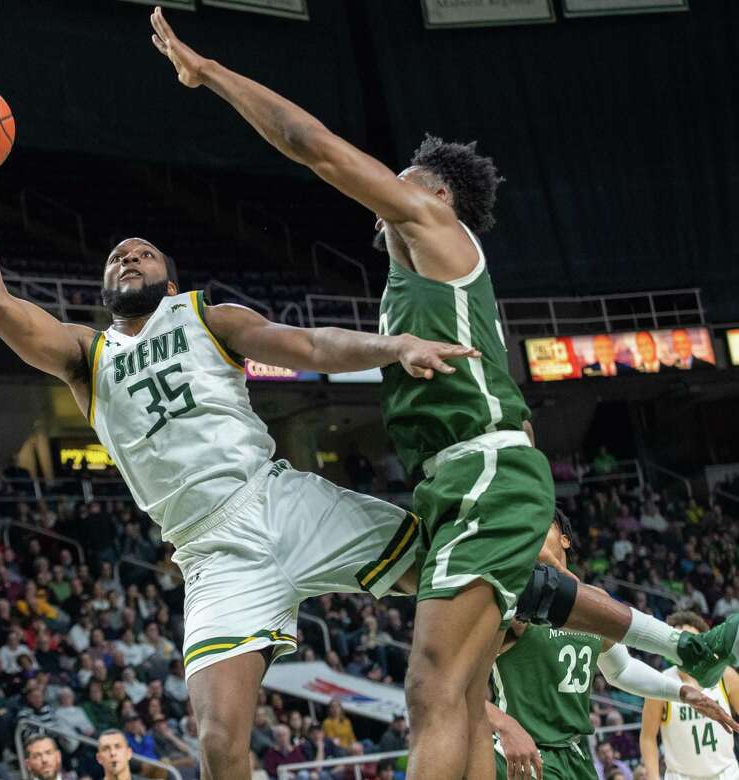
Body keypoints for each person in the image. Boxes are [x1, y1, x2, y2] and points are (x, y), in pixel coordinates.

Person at [147, 7, 739, 779]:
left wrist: (211, 73)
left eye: (402, 176)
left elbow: (311, 146)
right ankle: (685, 641)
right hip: (449, 483)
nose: (387, 184)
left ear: (436, 193)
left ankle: (682, 643)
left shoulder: (438, 234)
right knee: (471, 670)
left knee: (432, 685)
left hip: (485, 467)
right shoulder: (402, 286)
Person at [0, 101, 473, 780]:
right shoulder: (84, 357)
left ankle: (585, 650)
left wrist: (395, 345)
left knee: (461, 577)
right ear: (102, 286)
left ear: (168, 279)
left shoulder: (207, 317)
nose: (128, 255)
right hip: (211, 551)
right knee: (215, 740)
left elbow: (306, 343)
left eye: (143, 253)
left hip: (279, 501)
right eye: (118, 256)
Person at [487, 514, 736, 780]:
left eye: (543, 524)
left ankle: (692, 649)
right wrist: (505, 726)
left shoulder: (595, 602)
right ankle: (692, 649)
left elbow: (621, 669)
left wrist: (683, 692)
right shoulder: (511, 603)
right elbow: (450, 683)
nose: (533, 532)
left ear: (565, 540)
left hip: (574, 754)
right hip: (525, 753)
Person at [639, 611, 739, 780]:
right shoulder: (661, 682)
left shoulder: (726, 675)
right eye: (679, 642)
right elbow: (648, 737)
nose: (684, 648)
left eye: (691, 641)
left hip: (726, 773)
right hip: (681, 776)